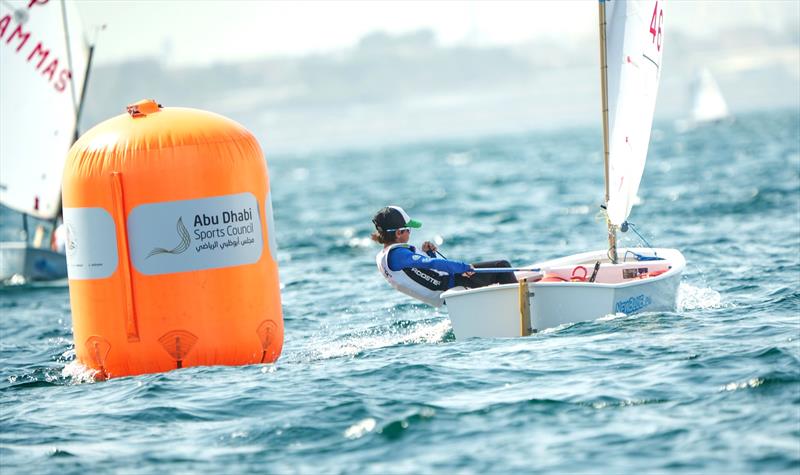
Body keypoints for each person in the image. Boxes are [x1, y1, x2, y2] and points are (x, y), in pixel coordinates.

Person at [371, 205, 517, 307]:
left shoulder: (383, 257)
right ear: (398, 233)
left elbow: (423, 273)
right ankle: (518, 308)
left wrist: (430, 254)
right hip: (452, 283)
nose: (410, 232)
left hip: (443, 289)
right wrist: (463, 267)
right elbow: (431, 265)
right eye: (408, 229)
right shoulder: (398, 254)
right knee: (502, 266)